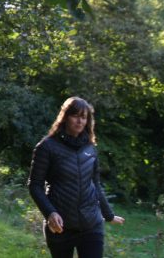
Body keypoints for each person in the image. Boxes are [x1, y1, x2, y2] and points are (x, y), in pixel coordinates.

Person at [27, 97, 125, 258]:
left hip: (91, 225)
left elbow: (95, 184)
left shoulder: (90, 148)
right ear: (65, 117)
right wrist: (50, 213)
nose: (80, 121)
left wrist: (108, 215)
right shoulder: (46, 147)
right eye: (75, 116)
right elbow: (34, 185)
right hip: (60, 226)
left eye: (84, 117)